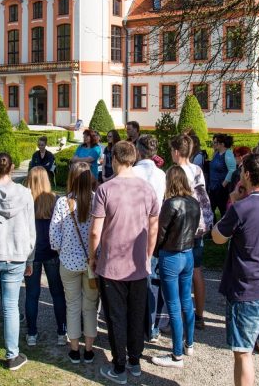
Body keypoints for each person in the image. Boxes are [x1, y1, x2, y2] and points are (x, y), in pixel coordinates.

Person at [89, 141, 160, 384]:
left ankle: (119, 366)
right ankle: (135, 361)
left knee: (116, 317)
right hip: (138, 263)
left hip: (112, 264)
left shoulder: (105, 189)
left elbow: (95, 231)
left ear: (116, 159)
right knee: (136, 314)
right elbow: (153, 228)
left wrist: (92, 256)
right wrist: (148, 255)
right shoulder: (147, 189)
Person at [212, 153, 259, 386]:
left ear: (248, 175)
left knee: (243, 352)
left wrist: (233, 199)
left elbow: (218, 237)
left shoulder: (241, 208)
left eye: (242, 171)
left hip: (246, 289)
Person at [0, 153, 35, 372]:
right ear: (12, 168)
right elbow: (31, 229)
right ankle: (11, 355)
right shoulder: (25, 193)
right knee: (11, 306)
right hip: (16, 253)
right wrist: (30, 257)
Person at [150, 166, 200, 368]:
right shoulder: (194, 202)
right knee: (186, 300)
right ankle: (189, 343)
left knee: (173, 305)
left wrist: (154, 252)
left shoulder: (170, 204)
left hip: (171, 255)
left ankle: (176, 354)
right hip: (188, 253)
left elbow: (160, 233)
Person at [50, 163, 99, 364]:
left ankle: (74, 349)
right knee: (90, 306)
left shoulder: (63, 202)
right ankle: (88, 349)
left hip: (68, 262)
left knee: (72, 306)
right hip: (91, 264)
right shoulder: (97, 200)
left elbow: (54, 237)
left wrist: (63, 250)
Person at [170, 134, 212, 330]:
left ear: (176, 152)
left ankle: (178, 316)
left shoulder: (175, 171)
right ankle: (199, 315)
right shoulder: (197, 169)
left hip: (181, 227)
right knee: (196, 270)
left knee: (178, 272)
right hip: (198, 225)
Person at [24, 166, 67, 346]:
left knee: (32, 294)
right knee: (57, 293)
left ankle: (32, 333)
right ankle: (61, 332)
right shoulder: (55, 199)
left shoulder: (25, 200)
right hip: (52, 251)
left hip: (31, 252)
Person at [133, 134, 167, 342]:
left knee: (136, 278)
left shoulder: (134, 172)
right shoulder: (161, 174)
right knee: (151, 274)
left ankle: (138, 322)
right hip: (154, 226)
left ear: (139, 150)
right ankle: (151, 324)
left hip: (135, 226)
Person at [209, 133, 236, 220]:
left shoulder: (228, 154)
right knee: (210, 210)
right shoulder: (216, 153)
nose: (214, 144)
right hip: (213, 187)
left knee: (223, 211)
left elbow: (232, 170)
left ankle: (223, 231)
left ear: (222, 144)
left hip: (221, 188)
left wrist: (223, 185)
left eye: (215, 142)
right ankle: (211, 229)